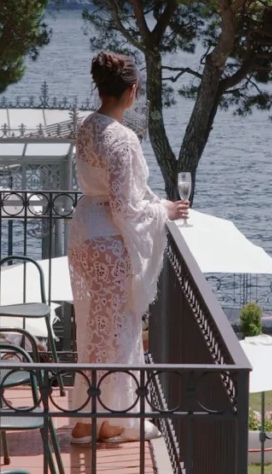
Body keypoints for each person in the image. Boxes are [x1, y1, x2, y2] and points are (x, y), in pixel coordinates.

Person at [67, 51, 190, 444]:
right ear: (132, 91)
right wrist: (164, 210)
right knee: (118, 330)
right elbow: (125, 207)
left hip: (84, 234)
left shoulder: (86, 127)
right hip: (109, 245)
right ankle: (109, 420)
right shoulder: (123, 139)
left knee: (94, 328)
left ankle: (93, 419)